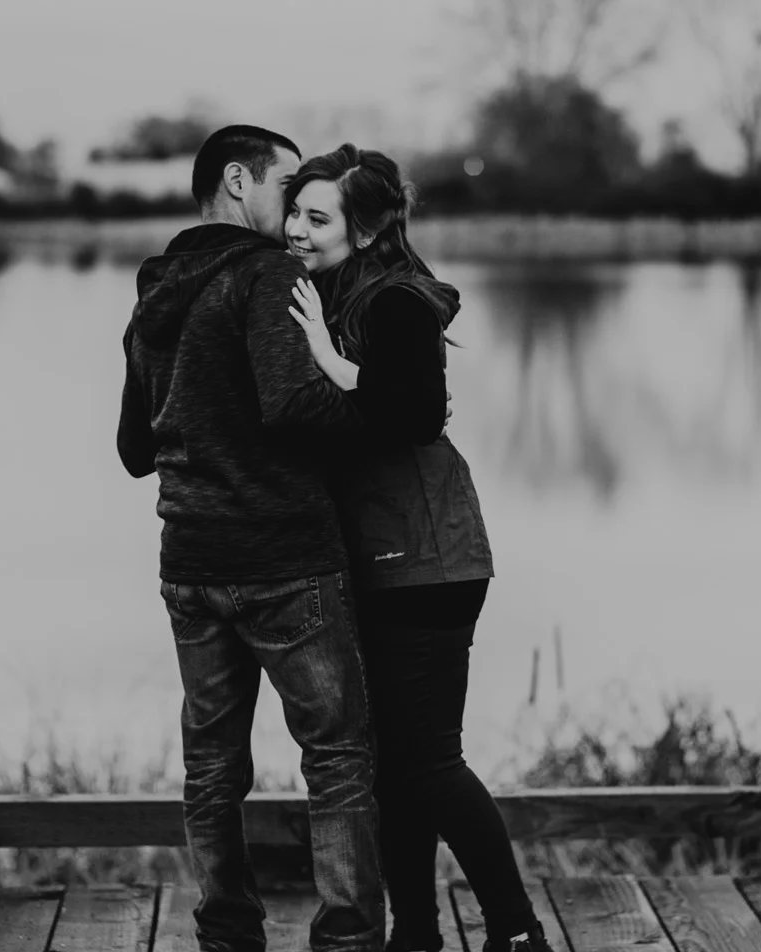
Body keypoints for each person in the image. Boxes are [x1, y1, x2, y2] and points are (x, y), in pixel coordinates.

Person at [117, 125, 384, 952]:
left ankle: (227, 937)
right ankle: (346, 942)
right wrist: (371, 411)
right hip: (284, 561)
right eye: (284, 184)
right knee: (338, 760)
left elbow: (134, 450)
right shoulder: (265, 274)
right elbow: (293, 406)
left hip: (190, 564)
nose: (295, 207)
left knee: (212, 768)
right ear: (239, 180)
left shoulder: (156, 289)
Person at [283, 144, 555, 952]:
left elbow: (415, 413)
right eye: (294, 211)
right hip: (381, 561)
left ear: (364, 232)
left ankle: (514, 931)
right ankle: (417, 933)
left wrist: (332, 363)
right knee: (393, 765)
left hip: (428, 560)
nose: (296, 228)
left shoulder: (394, 303)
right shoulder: (331, 295)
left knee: (429, 760)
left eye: (317, 217)